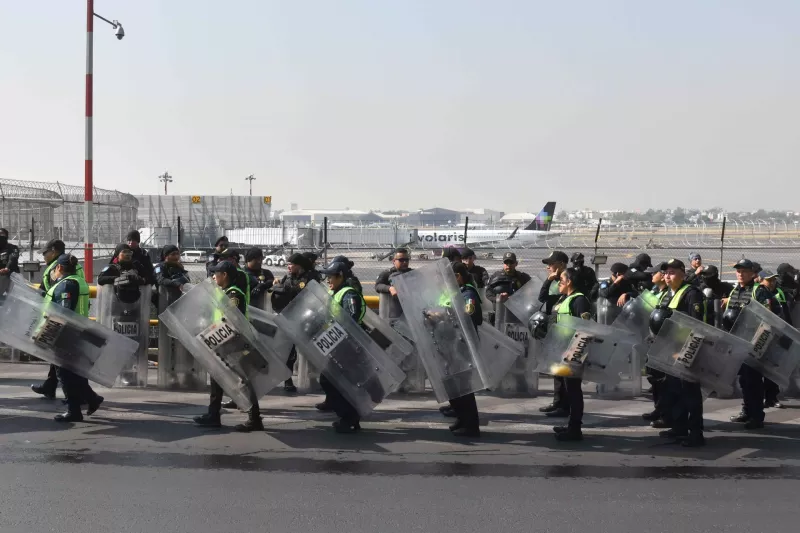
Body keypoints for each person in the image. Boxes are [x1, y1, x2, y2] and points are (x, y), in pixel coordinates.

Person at [193, 261, 263, 432]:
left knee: (244, 380)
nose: (214, 276)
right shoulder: (222, 292)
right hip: (222, 341)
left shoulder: (233, 294)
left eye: (216, 273)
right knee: (217, 378)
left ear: (224, 275)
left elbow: (232, 319)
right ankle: (213, 414)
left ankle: (255, 419)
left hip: (235, 343)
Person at [648, 259, 708, 447]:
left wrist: (685, 351)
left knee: (690, 393)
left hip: (686, 350)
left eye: (672, 272)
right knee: (674, 391)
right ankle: (679, 427)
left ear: (683, 273)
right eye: (665, 272)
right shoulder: (666, 294)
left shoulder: (691, 294)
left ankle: (696, 433)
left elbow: (696, 324)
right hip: (668, 349)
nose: (667, 276)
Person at [722, 259, 781, 430]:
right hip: (737, 341)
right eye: (738, 271)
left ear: (752, 273)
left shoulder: (759, 291)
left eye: (744, 271)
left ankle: (756, 416)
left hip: (753, 342)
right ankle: (747, 410)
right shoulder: (735, 291)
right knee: (743, 380)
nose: (740, 274)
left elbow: (771, 314)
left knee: (753, 380)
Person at [48, 254, 104, 422]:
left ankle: (74, 410)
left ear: (59, 268)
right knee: (75, 372)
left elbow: (65, 311)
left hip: (66, 334)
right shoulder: (78, 281)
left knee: (64, 373)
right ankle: (92, 398)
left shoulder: (66, 284)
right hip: (77, 331)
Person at [30, 239, 88, 400]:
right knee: (63, 361)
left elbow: (61, 296)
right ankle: (53, 387)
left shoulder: (63, 269)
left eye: (45, 253)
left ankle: (82, 399)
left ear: (54, 251)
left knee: (66, 363)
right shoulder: (68, 266)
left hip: (63, 321)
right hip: (70, 319)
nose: (43, 256)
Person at [317, 260, 369, 433]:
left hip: (348, 346)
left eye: (330, 277)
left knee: (332, 380)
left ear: (340, 276)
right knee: (341, 382)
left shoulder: (348, 294)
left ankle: (349, 416)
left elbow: (351, 319)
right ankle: (350, 417)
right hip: (339, 344)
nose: (328, 280)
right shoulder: (337, 293)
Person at [550, 267, 593, 442]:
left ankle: (575, 429)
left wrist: (574, 353)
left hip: (573, 352)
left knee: (574, 390)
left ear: (569, 282)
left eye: (561, 279)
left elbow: (585, 328)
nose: (559, 282)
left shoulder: (579, 300)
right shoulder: (566, 298)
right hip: (564, 350)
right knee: (568, 390)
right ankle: (570, 424)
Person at [441, 261, 483, 437]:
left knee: (464, 387)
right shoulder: (455, 293)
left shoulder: (468, 293)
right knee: (453, 386)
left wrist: (445, 315)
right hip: (451, 344)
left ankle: (471, 424)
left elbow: (469, 317)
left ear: (458, 276)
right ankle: (460, 418)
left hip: (463, 345)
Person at [271, 253, 317, 393]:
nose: (289, 267)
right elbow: (282, 289)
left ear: (299, 266)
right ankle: (288, 380)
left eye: (291, 264)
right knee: (288, 351)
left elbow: (300, 290)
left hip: (307, 319)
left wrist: (284, 288)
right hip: (290, 318)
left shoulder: (310, 277)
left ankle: (313, 380)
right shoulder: (288, 277)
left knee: (311, 352)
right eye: (288, 264)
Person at [486, 252, 532, 326]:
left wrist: (517, 298)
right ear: (503, 263)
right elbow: (488, 293)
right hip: (500, 313)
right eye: (506, 263)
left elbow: (532, 293)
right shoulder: (496, 276)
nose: (508, 265)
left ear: (516, 263)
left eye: (511, 263)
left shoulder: (523, 277)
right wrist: (498, 299)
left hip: (517, 314)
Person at [375, 248, 413, 319]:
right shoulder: (387, 274)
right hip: (394, 313)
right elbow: (377, 286)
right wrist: (390, 288)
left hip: (411, 312)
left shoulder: (413, 273)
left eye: (406, 260)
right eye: (401, 260)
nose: (405, 262)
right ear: (394, 261)